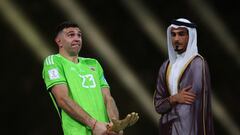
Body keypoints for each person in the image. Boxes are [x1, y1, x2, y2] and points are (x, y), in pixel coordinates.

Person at [42, 21, 138, 135]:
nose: (77, 38)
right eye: (71, 35)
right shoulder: (53, 61)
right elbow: (62, 98)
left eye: (79, 35)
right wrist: (93, 124)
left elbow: (108, 98)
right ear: (59, 41)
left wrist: (113, 124)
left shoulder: (94, 64)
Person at [153, 18, 214, 135]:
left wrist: (168, 108)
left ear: (190, 36)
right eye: (173, 34)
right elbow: (158, 106)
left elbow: (188, 105)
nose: (176, 39)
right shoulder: (165, 67)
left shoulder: (197, 64)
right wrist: (174, 98)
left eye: (181, 34)